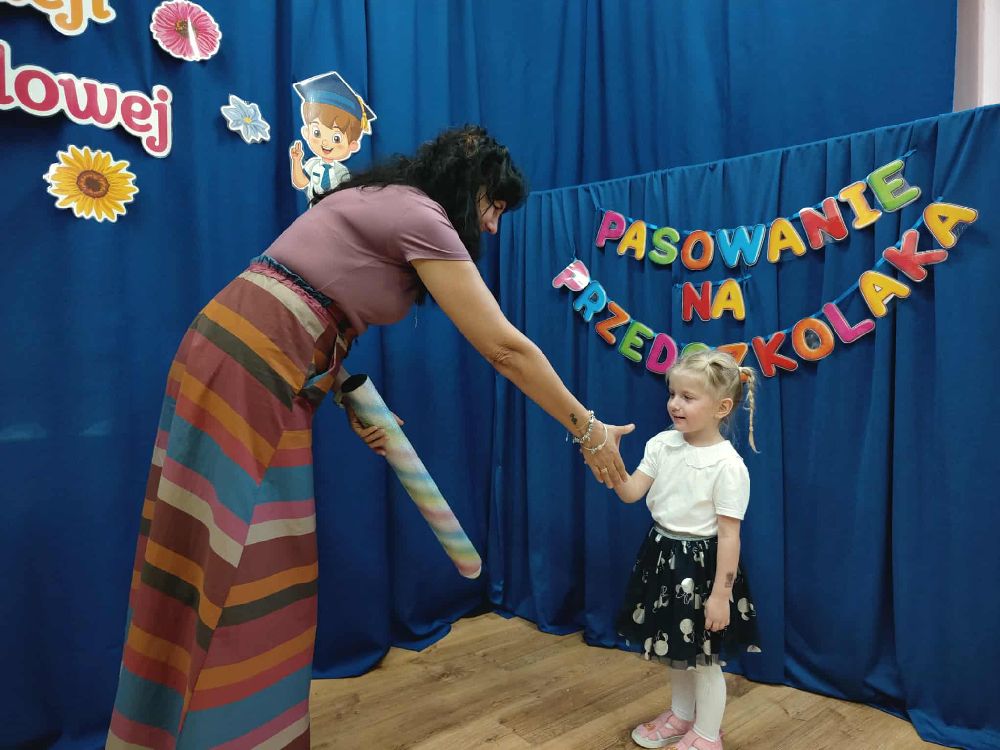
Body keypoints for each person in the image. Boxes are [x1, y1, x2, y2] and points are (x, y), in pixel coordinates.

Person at [106, 124, 633, 749]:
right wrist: (588, 428)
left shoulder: (384, 203)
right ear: (468, 186)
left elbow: (317, 301)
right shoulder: (419, 214)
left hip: (268, 363)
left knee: (255, 558)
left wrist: (345, 393)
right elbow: (504, 349)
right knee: (235, 559)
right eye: (493, 207)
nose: (493, 227)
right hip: (252, 361)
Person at [612, 350, 761, 750]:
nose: (675, 404)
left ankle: (708, 734)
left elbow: (729, 536)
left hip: (702, 570)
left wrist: (721, 596)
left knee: (704, 659)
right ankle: (681, 715)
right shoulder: (662, 444)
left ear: (721, 408)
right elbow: (630, 492)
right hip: (662, 558)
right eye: (673, 394)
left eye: (688, 397)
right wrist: (608, 459)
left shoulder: (728, 466)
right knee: (673, 648)